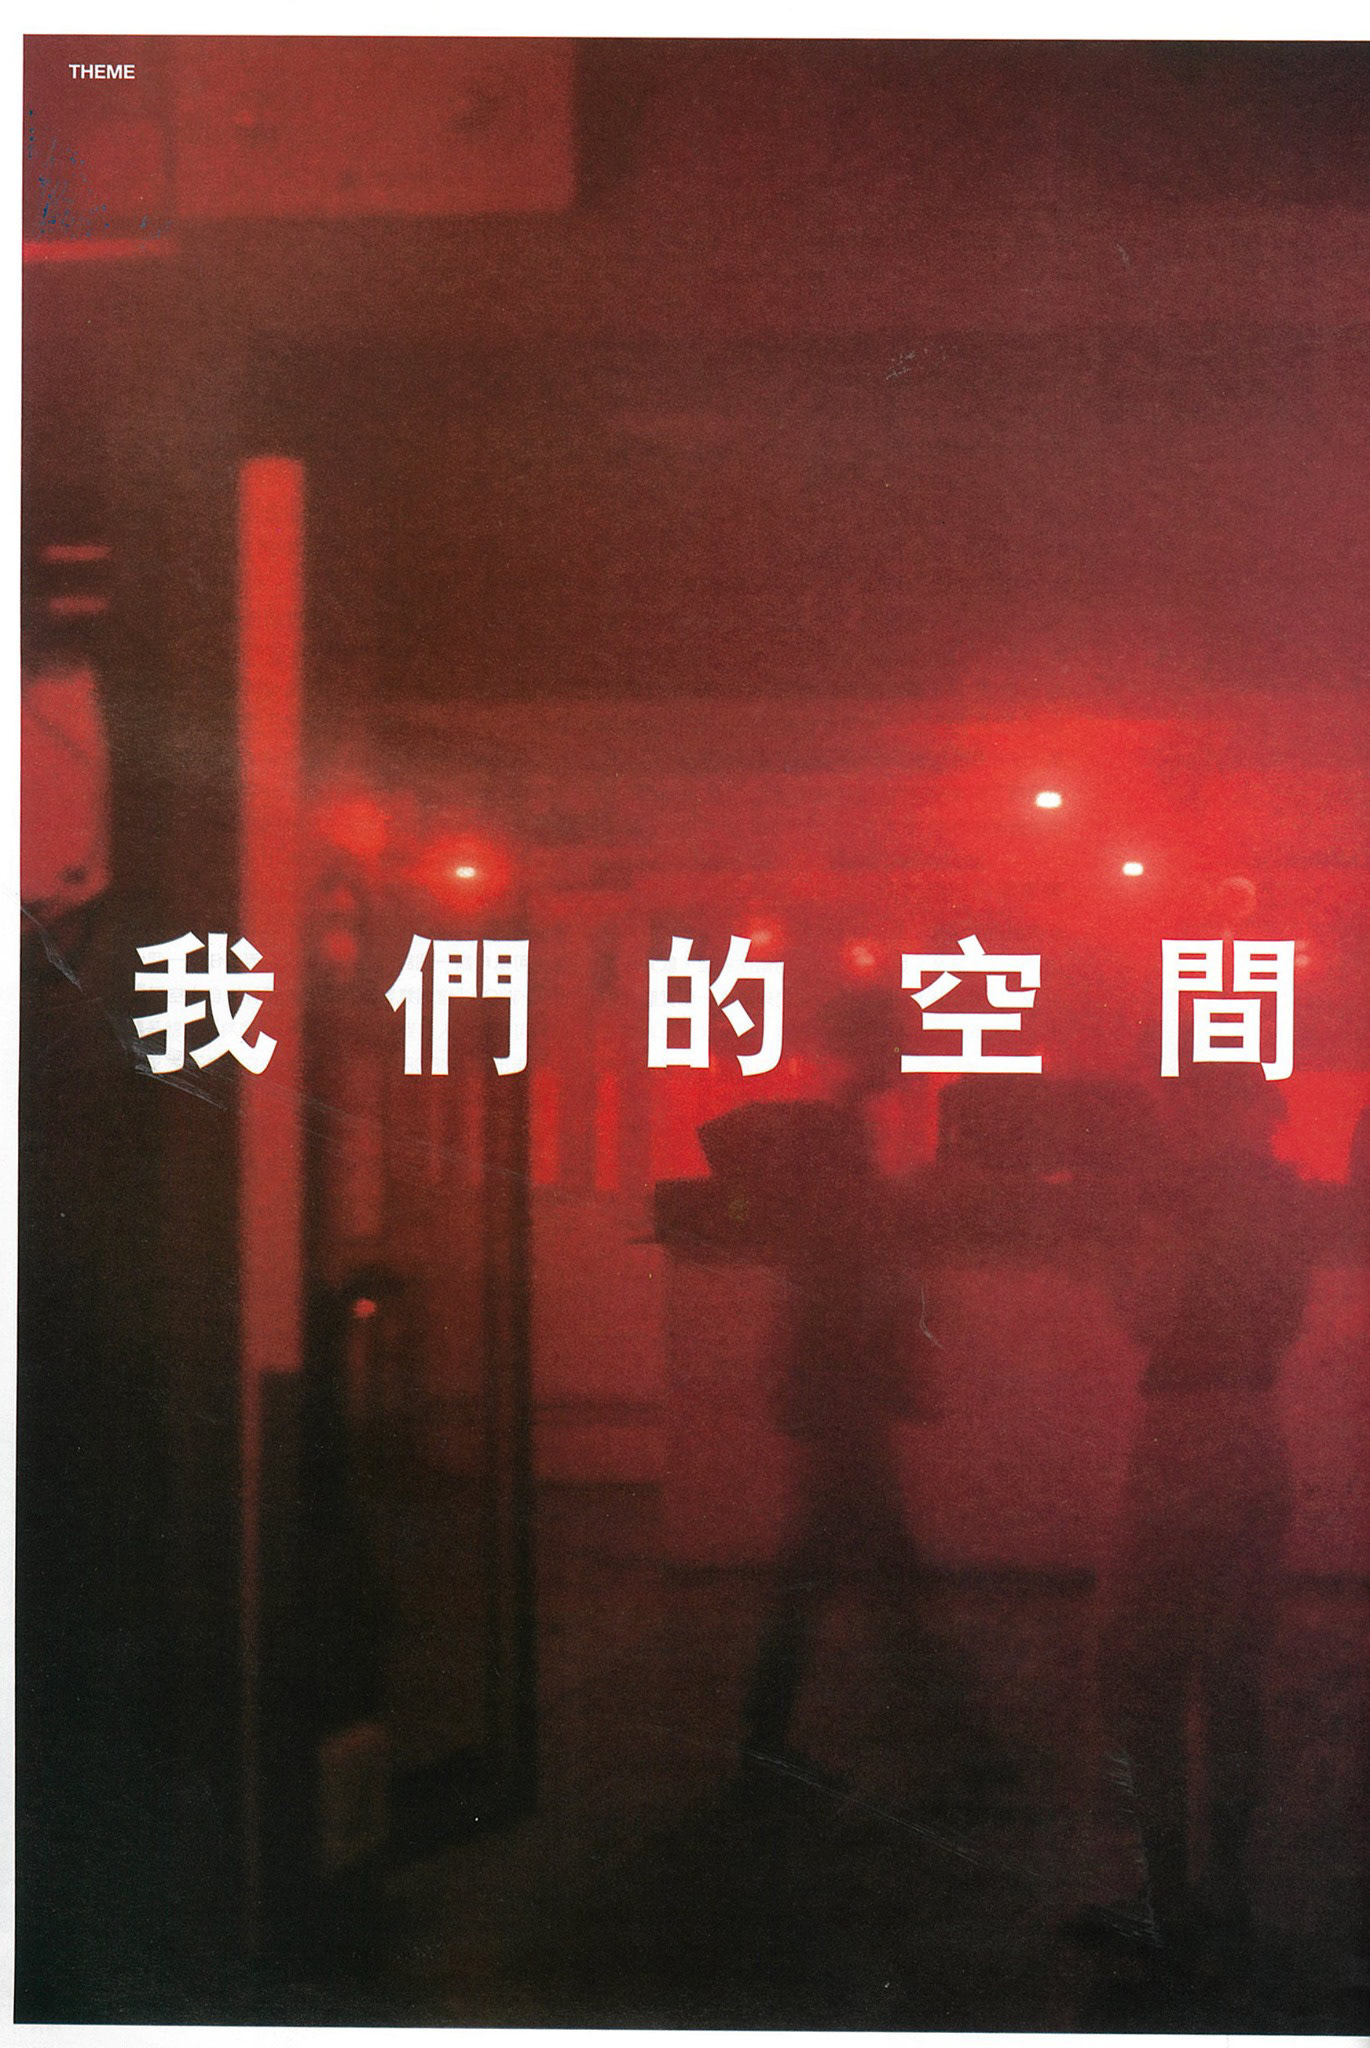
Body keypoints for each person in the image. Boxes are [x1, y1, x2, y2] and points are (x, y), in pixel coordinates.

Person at [1087, 1063, 1314, 1956]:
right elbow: (1284, 1323)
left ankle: (1165, 1894)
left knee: (1142, 1669)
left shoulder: (1175, 1200)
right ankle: (1227, 1889)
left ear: (1202, 1113)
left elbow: (1147, 1314)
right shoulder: (1285, 1203)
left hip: (1180, 1438)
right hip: (1255, 1433)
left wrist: (1116, 1251)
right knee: (1231, 1678)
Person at [699, 989, 949, 1787]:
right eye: (898, 1041)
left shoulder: (831, 1131)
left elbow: (818, 1264)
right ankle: (943, 1738)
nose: (905, 1056)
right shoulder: (843, 1136)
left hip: (832, 1377)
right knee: (864, 1564)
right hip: (847, 1378)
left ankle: (775, 1733)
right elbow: (850, 1264)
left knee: (833, 1561)